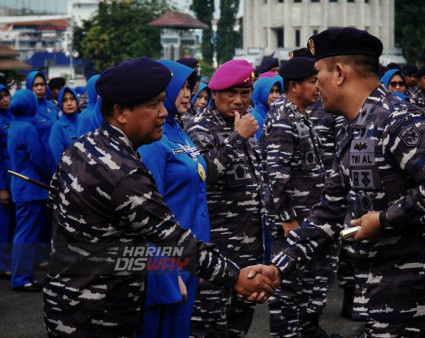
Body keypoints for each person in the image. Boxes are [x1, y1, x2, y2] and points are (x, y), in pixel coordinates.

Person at [42, 57, 278, 337]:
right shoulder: (124, 172)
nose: (162, 113)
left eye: (161, 102)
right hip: (98, 312)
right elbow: (171, 238)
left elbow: (53, 206)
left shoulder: (82, 147)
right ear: (121, 112)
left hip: (70, 301)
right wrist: (235, 277)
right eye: (153, 105)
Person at [265, 27, 425, 337]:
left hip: (419, 296)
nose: (316, 82)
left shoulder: (395, 119)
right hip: (387, 295)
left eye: (318, 72)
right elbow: (329, 211)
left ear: (338, 73)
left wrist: (384, 218)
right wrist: (278, 267)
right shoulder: (355, 127)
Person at [260, 56, 339, 338]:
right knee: (287, 289)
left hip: (307, 219)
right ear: (294, 86)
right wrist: (287, 220)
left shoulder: (299, 112)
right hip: (292, 222)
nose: (317, 87)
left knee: (305, 285)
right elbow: (275, 178)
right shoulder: (284, 118)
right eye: (311, 82)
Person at [187, 59, 266, 337]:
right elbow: (202, 174)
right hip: (217, 249)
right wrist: (236, 137)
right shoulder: (200, 129)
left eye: (245, 94)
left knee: (239, 325)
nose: (238, 101)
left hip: (248, 247)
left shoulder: (247, 125)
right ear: (215, 93)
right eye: (231, 93)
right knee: (208, 325)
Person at [138, 59, 207, 338]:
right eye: (181, 87)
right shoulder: (154, 140)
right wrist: (164, 273)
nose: (188, 93)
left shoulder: (177, 130)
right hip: (167, 262)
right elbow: (147, 214)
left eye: (190, 86)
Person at [7, 89, 53, 292]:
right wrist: (51, 177)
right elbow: (38, 158)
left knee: (23, 233)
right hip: (32, 187)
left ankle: (22, 275)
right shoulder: (28, 127)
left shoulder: (15, 124)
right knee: (26, 234)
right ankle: (21, 278)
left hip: (21, 187)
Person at [0, 84, 14, 280]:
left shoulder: (13, 116)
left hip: (15, 177)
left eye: (6, 95)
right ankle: (3, 264)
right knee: (3, 224)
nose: (4, 99)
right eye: (0, 96)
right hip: (4, 177)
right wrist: (2, 187)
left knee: (13, 223)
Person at [48, 86, 80, 168]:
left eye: (72, 99)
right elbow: (59, 159)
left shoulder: (84, 121)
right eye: (65, 100)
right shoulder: (57, 127)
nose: (69, 103)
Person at [250, 75, 282, 140]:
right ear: (261, 93)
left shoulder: (275, 112)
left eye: (277, 91)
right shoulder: (256, 118)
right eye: (271, 91)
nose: (275, 95)